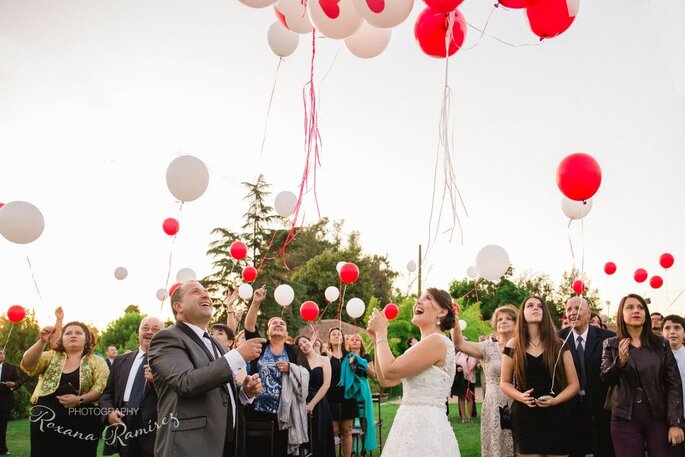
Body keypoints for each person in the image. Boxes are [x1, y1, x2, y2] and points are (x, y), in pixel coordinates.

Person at [148, 280, 264, 457]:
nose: (205, 295)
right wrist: (237, 356)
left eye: (206, 292)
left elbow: (220, 391)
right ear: (178, 306)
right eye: (195, 292)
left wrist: (244, 392)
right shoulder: (167, 338)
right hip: (190, 446)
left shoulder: (217, 345)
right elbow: (185, 382)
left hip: (225, 445)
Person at [367, 287, 460, 457]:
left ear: (442, 311)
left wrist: (382, 333)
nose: (419, 301)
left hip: (426, 427)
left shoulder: (436, 341)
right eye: (420, 298)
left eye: (428, 298)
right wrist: (376, 341)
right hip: (408, 422)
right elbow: (386, 381)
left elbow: (390, 369)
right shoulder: (422, 345)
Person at [601, 294, 684, 456]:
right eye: (630, 307)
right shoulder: (611, 344)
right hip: (624, 418)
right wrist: (620, 362)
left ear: (646, 313)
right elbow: (606, 378)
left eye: (640, 307)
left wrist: (676, 423)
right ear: (621, 314)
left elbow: (674, 383)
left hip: (658, 417)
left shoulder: (661, 344)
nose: (636, 311)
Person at [500, 296, 579, 457]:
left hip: (557, 414)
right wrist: (521, 397)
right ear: (522, 313)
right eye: (530, 305)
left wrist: (555, 400)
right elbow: (505, 383)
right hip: (525, 415)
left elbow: (574, 384)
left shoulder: (559, 344)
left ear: (545, 313)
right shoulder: (513, 345)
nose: (535, 308)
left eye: (540, 306)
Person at [21, 321, 110, 457]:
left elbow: (100, 388)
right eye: (68, 333)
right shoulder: (50, 356)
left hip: (82, 420)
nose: (73, 335)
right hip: (46, 419)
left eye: (78, 333)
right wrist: (42, 342)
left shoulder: (97, 361)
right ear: (61, 339)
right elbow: (28, 365)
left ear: (86, 338)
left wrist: (79, 400)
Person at [244, 285, 308, 457]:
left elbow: (305, 373)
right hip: (258, 412)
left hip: (285, 414)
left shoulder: (294, 351)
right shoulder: (261, 346)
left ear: (286, 332)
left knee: (281, 451)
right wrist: (256, 303)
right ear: (268, 331)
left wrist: (291, 368)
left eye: (282, 323)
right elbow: (249, 327)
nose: (278, 325)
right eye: (274, 323)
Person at [452, 304, 517, 457]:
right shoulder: (487, 347)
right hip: (494, 404)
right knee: (496, 447)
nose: (503, 321)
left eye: (508, 318)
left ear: (516, 323)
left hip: (518, 402)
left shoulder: (523, 346)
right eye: (500, 319)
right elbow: (459, 344)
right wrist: (455, 321)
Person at [99, 316, 164, 457]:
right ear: (138, 332)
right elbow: (107, 394)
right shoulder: (121, 360)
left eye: (155, 329)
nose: (149, 332)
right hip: (123, 425)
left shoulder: (169, 361)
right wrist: (109, 413)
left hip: (154, 430)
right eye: (145, 328)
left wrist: (156, 382)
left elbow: (175, 394)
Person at [559, 297, 616, 457]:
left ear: (589, 313)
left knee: (603, 450)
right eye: (569, 309)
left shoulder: (607, 337)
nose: (572, 313)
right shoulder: (558, 339)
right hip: (569, 408)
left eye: (577, 308)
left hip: (601, 408)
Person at [295, 335, 335, 457]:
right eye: (300, 345)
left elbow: (326, 384)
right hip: (302, 403)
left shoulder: (324, 360)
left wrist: (312, 404)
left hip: (319, 403)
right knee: (306, 441)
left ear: (311, 342)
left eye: (305, 342)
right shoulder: (298, 362)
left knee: (320, 439)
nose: (304, 345)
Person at [325, 328, 357, 457]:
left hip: (347, 396)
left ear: (343, 338)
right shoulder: (325, 355)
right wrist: (327, 359)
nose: (337, 336)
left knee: (347, 430)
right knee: (334, 430)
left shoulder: (350, 355)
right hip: (330, 396)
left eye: (339, 334)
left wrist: (352, 365)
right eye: (333, 334)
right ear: (330, 339)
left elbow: (355, 375)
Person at [0, 349, 21, 456]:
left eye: (1, 353)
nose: (0, 355)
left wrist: (13, 384)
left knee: (2, 427)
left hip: (4, 402)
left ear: (4, 355)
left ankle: (2, 449)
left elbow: (19, 381)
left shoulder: (11, 368)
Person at [454, 349, 477, 422]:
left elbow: (473, 365)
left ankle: (469, 417)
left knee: (469, 397)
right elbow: (454, 364)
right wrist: (458, 368)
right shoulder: (458, 354)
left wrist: (468, 370)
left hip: (470, 379)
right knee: (461, 397)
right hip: (461, 379)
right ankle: (463, 417)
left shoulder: (472, 355)